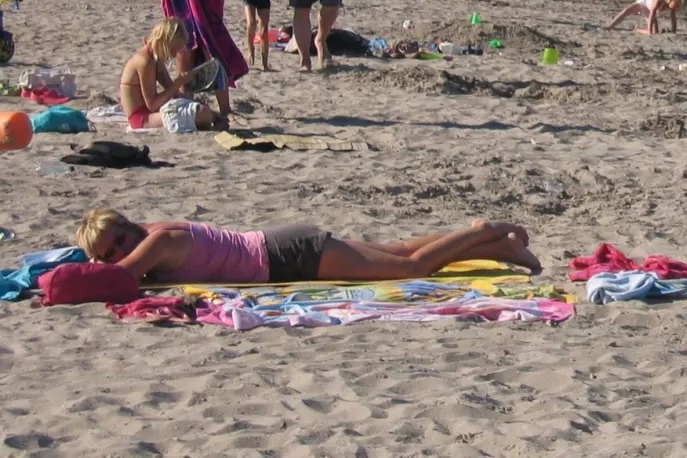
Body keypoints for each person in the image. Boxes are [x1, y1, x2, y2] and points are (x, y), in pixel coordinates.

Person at [76, 210, 541, 284]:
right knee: (397, 250)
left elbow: (118, 278)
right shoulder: (152, 237)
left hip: (287, 255)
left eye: (118, 239)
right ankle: (497, 248)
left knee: (412, 268)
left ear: (130, 227)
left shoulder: (156, 241)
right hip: (282, 244)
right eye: (108, 250)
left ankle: (485, 228)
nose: (118, 252)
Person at [118, 18, 217, 131]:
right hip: (141, 118)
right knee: (202, 114)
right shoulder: (145, 62)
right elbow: (152, 104)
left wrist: (190, 98)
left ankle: (215, 117)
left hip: (151, 112)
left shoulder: (154, 58)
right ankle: (213, 117)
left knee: (200, 109)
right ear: (165, 43)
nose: (174, 55)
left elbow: (172, 90)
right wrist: (178, 83)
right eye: (173, 50)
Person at [606, 0, 685, 34]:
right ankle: (609, 27)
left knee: (655, 33)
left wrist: (673, 31)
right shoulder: (659, 0)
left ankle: (637, 30)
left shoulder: (672, 6)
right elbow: (651, 15)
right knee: (626, 11)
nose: (677, 7)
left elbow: (673, 19)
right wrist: (650, 29)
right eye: (677, 5)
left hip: (649, 11)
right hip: (643, 4)